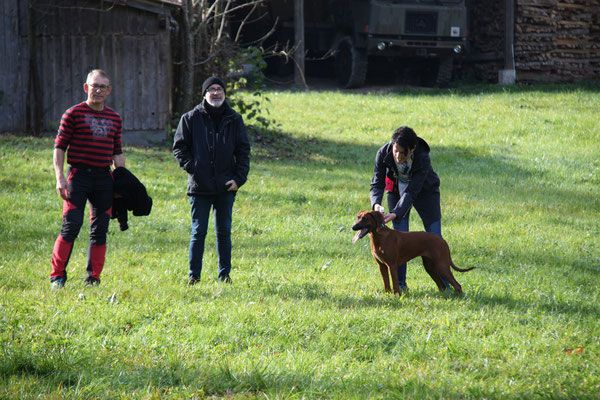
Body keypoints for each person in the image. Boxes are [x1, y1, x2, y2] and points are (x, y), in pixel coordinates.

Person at [50, 69, 125, 289]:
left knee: (100, 229)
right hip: (78, 177)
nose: (98, 90)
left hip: (104, 178)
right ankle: (57, 277)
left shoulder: (115, 118)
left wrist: (121, 181)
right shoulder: (73, 114)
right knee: (71, 225)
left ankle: (93, 279)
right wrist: (59, 177)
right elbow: (59, 147)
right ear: (86, 87)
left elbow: (117, 152)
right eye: (95, 86)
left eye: (103, 87)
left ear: (109, 91)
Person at [173, 76, 251, 285]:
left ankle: (224, 276)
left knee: (224, 233)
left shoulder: (234, 119)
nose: (216, 93)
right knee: (198, 233)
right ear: (204, 94)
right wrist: (194, 168)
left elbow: (244, 151)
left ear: (224, 93)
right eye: (211, 89)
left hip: (226, 186)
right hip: (199, 186)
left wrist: (238, 179)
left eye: (219, 89)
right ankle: (194, 277)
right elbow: (179, 148)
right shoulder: (190, 118)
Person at [370, 126, 448, 290]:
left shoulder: (422, 157)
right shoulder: (383, 153)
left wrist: (396, 213)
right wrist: (376, 203)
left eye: (402, 153)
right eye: (395, 150)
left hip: (426, 193)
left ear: (412, 149)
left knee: (435, 237)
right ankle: (401, 285)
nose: (398, 156)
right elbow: (377, 183)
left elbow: (412, 191)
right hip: (396, 192)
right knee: (398, 240)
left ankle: (446, 285)